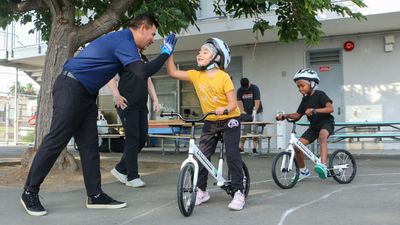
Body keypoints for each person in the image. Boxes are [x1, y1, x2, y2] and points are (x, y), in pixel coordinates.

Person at [21, 13, 177, 216]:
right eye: (152, 34)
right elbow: (141, 72)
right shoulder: (124, 40)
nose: (153, 39)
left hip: (86, 93)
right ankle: (29, 192)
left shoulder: (126, 44)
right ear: (142, 29)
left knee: (89, 146)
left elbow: (137, 72)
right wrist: (165, 53)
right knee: (56, 141)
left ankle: (95, 195)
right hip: (71, 87)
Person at [165, 38, 245, 210]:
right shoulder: (196, 75)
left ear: (217, 57)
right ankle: (201, 190)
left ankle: (239, 192)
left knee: (232, 154)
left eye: (205, 51)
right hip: (210, 120)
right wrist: (168, 51)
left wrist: (224, 109)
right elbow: (172, 72)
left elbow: (233, 104)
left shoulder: (223, 77)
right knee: (201, 155)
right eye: (199, 52)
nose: (199, 54)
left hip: (230, 119)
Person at [107, 51, 160, 188]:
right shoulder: (122, 54)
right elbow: (109, 75)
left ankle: (120, 168)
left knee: (142, 138)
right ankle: (132, 176)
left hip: (141, 105)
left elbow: (148, 80)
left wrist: (155, 99)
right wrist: (116, 95)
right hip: (126, 103)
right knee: (132, 138)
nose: (150, 40)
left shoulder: (143, 57)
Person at [276, 68, 334, 181]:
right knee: (297, 147)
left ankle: (323, 164)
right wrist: (285, 115)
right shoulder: (304, 100)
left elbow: (330, 109)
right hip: (313, 127)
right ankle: (303, 171)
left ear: (312, 84)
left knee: (322, 136)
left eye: (302, 85)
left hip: (326, 124)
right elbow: (297, 115)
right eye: (298, 86)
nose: (300, 88)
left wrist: (315, 110)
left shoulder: (320, 95)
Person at [237, 77, 264, 154]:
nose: (246, 89)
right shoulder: (240, 91)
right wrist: (242, 112)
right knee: (244, 129)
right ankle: (241, 147)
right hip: (247, 113)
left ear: (249, 83)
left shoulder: (254, 88)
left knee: (255, 128)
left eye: (247, 87)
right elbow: (239, 102)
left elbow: (257, 101)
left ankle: (254, 148)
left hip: (257, 111)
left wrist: (254, 112)